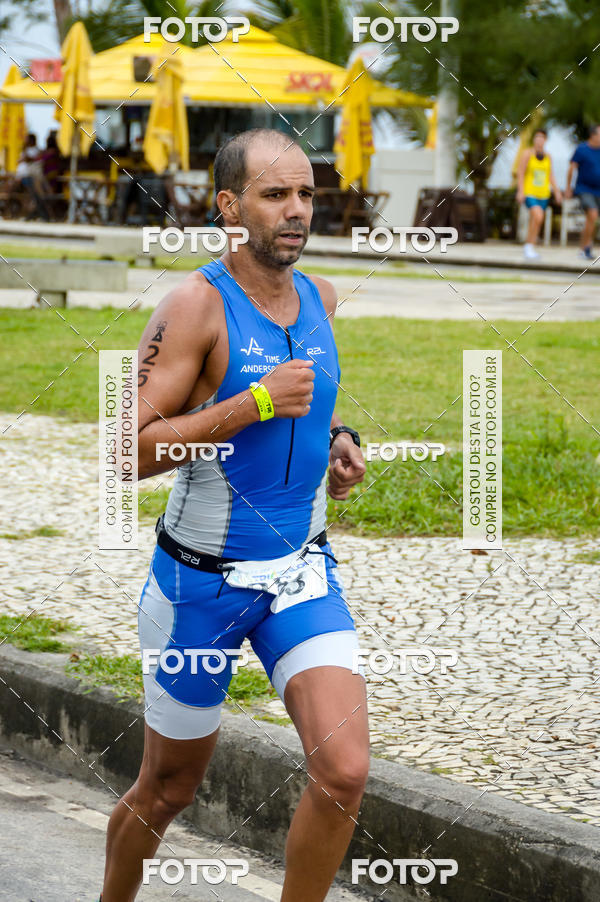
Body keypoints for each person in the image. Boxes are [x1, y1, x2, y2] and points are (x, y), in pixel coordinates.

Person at [100, 128, 368, 902]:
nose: (296, 211)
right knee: (167, 790)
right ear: (229, 206)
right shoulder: (195, 305)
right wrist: (249, 404)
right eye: (275, 195)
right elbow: (126, 452)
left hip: (300, 574)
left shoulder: (317, 296)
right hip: (200, 588)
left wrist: (340, 442)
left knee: (344, 770)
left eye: (307, 195)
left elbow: (308, 407)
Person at [516, 128, 562, 261]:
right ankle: (529, 245)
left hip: (544, 194)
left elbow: (550, 175)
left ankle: (530, 245)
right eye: (537, 137)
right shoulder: (527, 154)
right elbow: (520, 173)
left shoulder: (548, 156)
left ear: (545, 140)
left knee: (537, 220)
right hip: (530, 192)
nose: (539, 140)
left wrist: (557, 191)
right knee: (538, 215)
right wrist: (520, 191)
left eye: (542, 137)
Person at [565, 123, 600, 260]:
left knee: (593, 219)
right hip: (584, 188)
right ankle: (584, 248)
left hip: (599, 190)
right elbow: (571, 168)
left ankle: (587, 245)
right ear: (593, 135)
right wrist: (568, 188)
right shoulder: (582, 149)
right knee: (592, 213)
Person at [15, 132, 49, 221]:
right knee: (33, 195)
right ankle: (34, 213)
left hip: (32, 178)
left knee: (35, 194)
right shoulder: (26, 151)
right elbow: (20, 161)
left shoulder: (37, 151)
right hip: (25, 178)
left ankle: (38, 214)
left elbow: (28, 159)